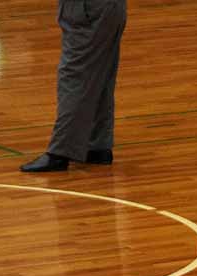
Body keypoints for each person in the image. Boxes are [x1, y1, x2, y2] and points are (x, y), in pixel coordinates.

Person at [19, 0, 126, 173]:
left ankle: (60, 153)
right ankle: (97, 146)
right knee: (101, 74)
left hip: (88, 9)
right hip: (109, 7)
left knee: (74, 76)